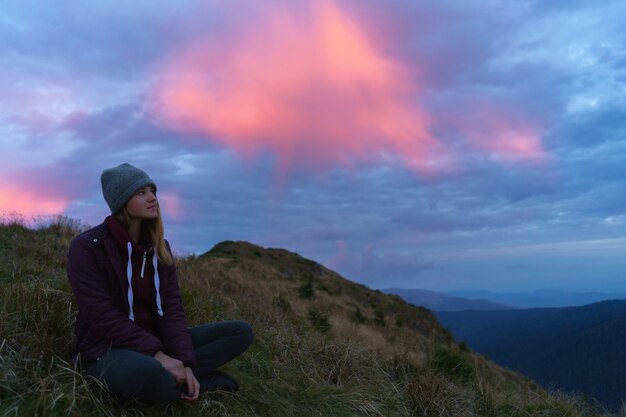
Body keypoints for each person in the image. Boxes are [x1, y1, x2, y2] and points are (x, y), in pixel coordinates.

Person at [67, 163, 253, 404]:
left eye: (152, 191)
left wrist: (182, 360)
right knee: (148, 372)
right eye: (141, 192)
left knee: (239, 332)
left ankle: (182, 376)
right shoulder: (88, 247)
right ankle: (199, 382)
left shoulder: (160, 248)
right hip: (106, 348)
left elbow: (172, 310)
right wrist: (157, 355)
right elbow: (100, 315)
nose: (152, 198)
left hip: (157, 342)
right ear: (121, 200)